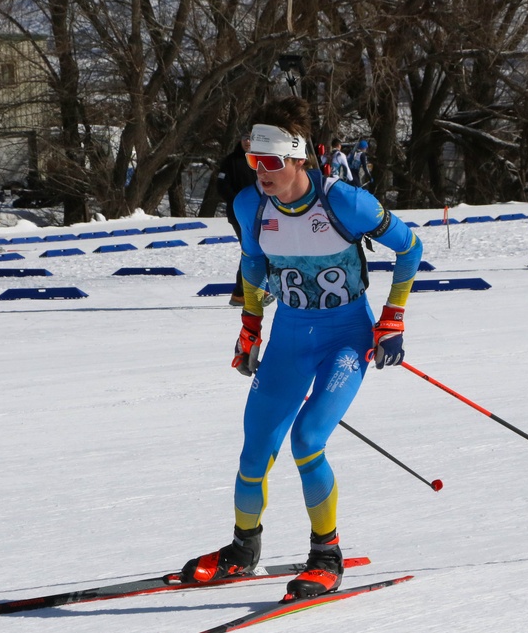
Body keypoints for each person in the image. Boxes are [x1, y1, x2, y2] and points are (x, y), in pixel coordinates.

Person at [181, 97, 423, 600]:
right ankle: (242, 551)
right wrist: (251, 329)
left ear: (299, 157)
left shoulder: (345, 202)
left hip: (344, 339)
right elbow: (252, 267)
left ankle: (326, 555)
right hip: (290, 338)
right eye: (253, 161)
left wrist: (393, 318)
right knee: (254, 452)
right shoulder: (251, 205)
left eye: (270, 163)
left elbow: (410, 247)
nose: (260, 173)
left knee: (308, 439)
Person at [216, 131, 256, 306]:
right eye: (245, 138)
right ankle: (241, 293)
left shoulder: (260, 160)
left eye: (251, 138)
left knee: (258, 250)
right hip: (239, 213)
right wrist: (238, 201)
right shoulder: (231, 161)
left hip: (260, 212)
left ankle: (246, 291)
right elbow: (221, 186)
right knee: (250, 249)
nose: (247, 142)